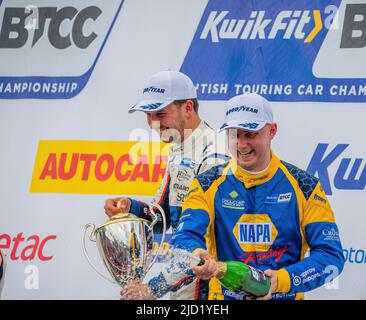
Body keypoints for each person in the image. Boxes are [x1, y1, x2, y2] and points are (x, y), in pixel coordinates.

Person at [171, 92, 345, 300]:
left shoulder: (305, 186)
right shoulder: (206, 184)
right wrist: (196, 253)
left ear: (272, 131)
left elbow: (330, 256)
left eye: (250, 134)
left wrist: (281, 281)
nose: (241, 144)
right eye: (234, 134)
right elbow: (185, 236)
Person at [104, 70, 229, 299]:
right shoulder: (180, 147)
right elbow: (162, 218)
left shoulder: (215, 153)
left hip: (211, 288)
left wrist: (153, 288)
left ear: (188, 108)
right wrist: (129, 207)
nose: (153, 123)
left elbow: (203, 241)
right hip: (185, 282)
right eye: (148, 115)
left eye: (160, 114)